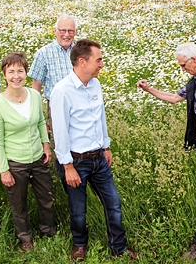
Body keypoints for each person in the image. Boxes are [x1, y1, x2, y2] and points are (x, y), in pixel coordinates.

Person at [137, 42, 196, 261]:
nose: (182, 69)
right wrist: (149, 89)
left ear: (193, 60)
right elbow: (173, 98)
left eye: (183, 65)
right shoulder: (195, 81)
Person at [50, 39, 137, 261]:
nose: (102, 64)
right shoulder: (62, 91)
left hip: (99, 158)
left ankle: (118, 246)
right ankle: (80, 245)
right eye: (98, 60)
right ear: (82, 61)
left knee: (113, 204)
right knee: (78, 210)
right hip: (76, 162)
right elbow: (60, 131)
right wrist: (67, 166)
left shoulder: (95, 85)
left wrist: (106, 146)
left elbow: (100, 118)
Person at [0, 52, 56, 252]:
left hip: (38, 158)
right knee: (19, 205)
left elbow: (41, 122)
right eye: (11, 72)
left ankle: (48, 231)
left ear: (26, 73)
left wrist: (45, 145)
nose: (16, 76)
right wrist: (4, 170)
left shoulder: (34, 96)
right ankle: (25, 237)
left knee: (47, 198)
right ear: (4, 74)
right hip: (15, 162)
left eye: (20, 71)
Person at [28, 14, 77, 134]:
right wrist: (38, 117)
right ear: (55, 31)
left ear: (75, 32)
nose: (66, 35)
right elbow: (36, 87)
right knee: (60, 142)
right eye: (62, 30)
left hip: (79, 103)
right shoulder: (43, 53)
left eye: (70, 31)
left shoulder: (82, 51)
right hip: (57, 106)